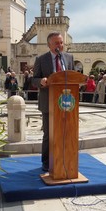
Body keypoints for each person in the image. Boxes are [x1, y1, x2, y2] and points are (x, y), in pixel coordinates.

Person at [32, 31, 75, 172]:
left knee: (66, 132)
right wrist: (42, 81)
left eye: (61, 42)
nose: (60, 45)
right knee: (49, 134)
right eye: (57, 43)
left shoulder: (68, 58)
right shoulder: (41, 59)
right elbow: (34, 80)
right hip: (48, 103)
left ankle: (64, 158)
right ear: (49, 44)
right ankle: (46, 161)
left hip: (66, 103)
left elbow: (73, 77)